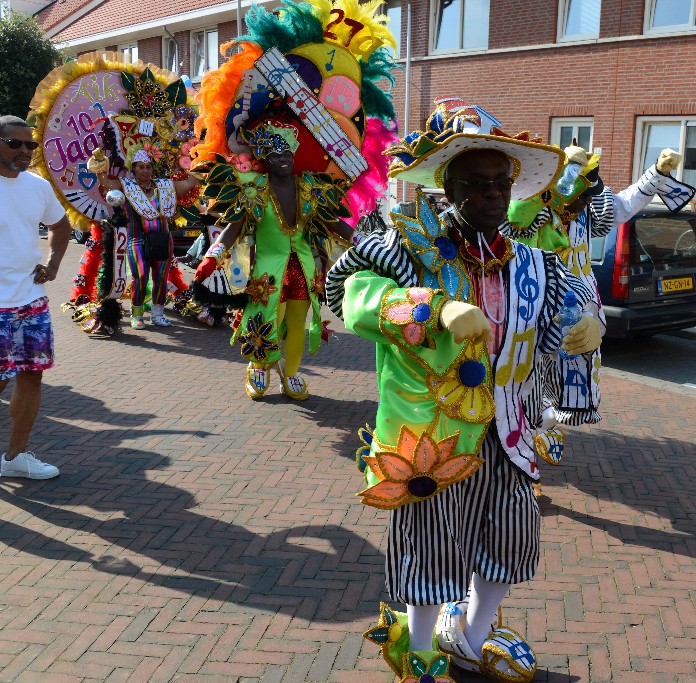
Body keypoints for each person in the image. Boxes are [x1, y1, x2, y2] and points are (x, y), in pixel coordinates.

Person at [326, 98, 602, 683]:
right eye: (478, 184)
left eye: (502, 183)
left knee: (510, 531)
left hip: (509, 426)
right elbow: (347, 292)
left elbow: (570, 307)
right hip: (431, 433)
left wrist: (589, 327)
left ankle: (474, 634)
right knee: (430, 543)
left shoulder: (533, 260)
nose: (495, 195)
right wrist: (433, 308)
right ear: (448, 188)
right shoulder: (404, 241)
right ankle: (419, 649)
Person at [187, 0, 398, 401]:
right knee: (265, 317)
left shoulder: (312, 189)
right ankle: (260, 365)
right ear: (266, 157)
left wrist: (368, 246)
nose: (284, 159)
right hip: (266, 271)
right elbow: (234, 226)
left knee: (300, 323)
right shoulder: (251, 190)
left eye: (289, 154)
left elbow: (332, 223)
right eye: (277, 154)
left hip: (303, 267)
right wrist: (212, 255)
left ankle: (293, 370)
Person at [505, 144, 692, 484]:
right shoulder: (533, 214)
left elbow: (623, 206)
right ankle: (524, 457)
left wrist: (657, 174)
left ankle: (540, 429)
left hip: (579, 314)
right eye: (580, 197)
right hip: (532, 313)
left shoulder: (585, 213)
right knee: (522, 385)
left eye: (589, 198)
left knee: (571, 391)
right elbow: (514, 218)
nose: (585, 204)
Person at [0, 115, 72, 479]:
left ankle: (15, 458)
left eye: (30, 145)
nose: (25, 151)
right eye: (15, 144)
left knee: (30, 376)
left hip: (30, 302)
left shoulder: (38, 186)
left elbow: (61, 226)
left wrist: (54, 262)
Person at [88, 147, 200, 329]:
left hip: (164, 240)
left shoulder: (165, 187)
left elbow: (188, 184)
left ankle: (157, 314)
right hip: (137, 241)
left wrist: (199, 160)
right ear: (133, 169)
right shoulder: (127, 187)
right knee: (140, 276)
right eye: (141, 167)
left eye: (148, 167)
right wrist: (100, 167)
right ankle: (137, 314)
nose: (145, 171)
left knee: (161, 277)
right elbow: (107, 184)